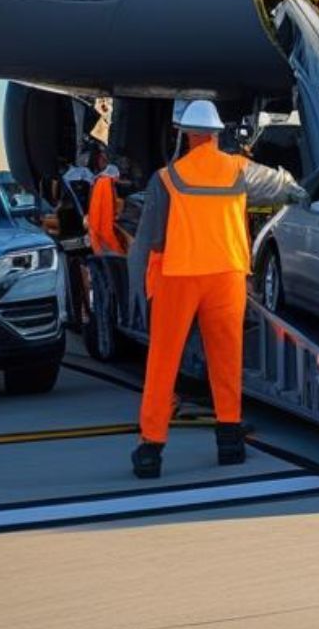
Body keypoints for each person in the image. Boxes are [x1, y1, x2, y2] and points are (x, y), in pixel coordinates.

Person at [124, 99, 304, 478]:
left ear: (186, 134)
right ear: (216, 134)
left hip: (179, 276)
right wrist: (302, 192)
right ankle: (229, 442)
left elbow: (151, 239)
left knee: (163, 363)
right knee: (226, 360)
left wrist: (137, 288)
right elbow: (283, 188)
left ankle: (150, 450)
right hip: (226, 276)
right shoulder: (238, 170)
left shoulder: (167, 178)